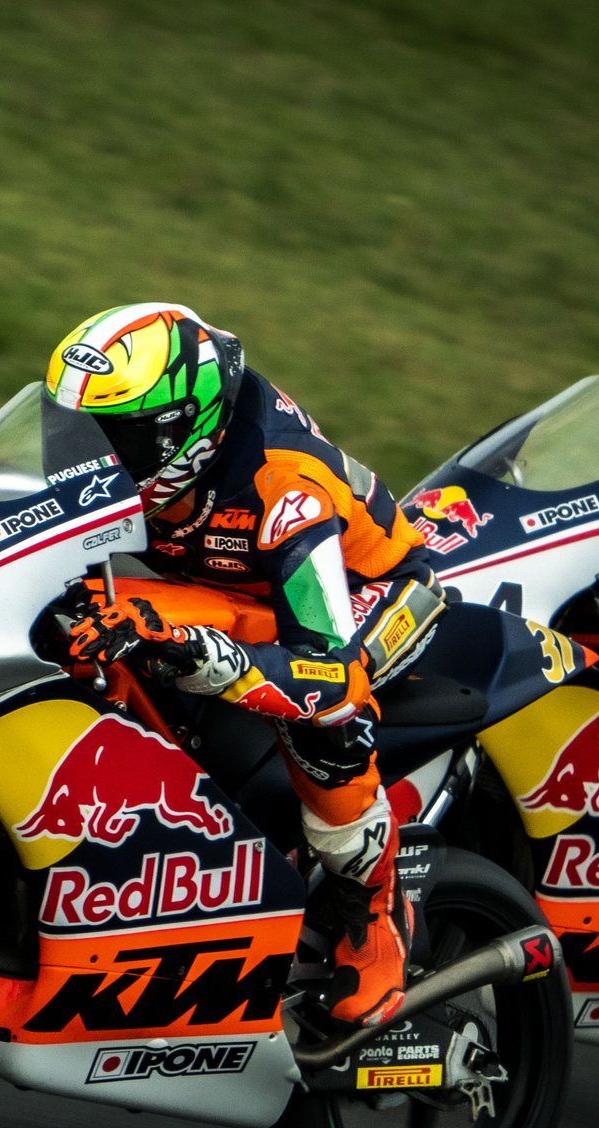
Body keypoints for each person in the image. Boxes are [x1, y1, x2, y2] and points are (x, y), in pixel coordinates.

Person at [43, 303, 437, 1028]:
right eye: (72, 426)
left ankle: (375, 913)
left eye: (112, 436)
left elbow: (324, 665)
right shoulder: (135, 457)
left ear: (181, 428)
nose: (84, 451)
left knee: (328, 720)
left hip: (364, 594)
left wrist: (205, 655)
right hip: (227, 585)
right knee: (89, 623)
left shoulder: (283, 487)